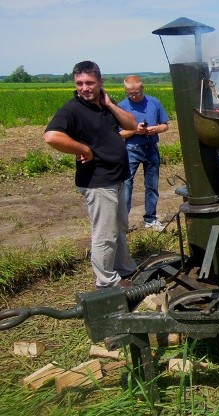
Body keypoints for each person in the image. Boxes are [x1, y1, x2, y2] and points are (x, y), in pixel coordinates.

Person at [44, 61, 138, 288]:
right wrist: (83, 149)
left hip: (117, 177)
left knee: (119, 227)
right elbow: (51, 136)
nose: (84, 88)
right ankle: (106, 281)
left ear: (100, 82)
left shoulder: (105, 104)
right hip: (97, 181)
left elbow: (132, 125)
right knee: (104, 233)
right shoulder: (72, 109)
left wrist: (109, 104)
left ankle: (125, 268)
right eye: (79, 83)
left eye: (89, 83)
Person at [118, 75, 170, 231]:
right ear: (125, 91)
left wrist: (154, 129)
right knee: (126, 186)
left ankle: (151, 219)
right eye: (130, 94)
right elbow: (119, 134)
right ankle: (122, 223)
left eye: (137, 93)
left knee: (152, 185)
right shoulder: (121, 107)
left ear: (142, 88)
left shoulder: (154, 102)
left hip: (151, 148)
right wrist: (135, 130)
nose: (134, 96)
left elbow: (165, 125)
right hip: (131, 149)